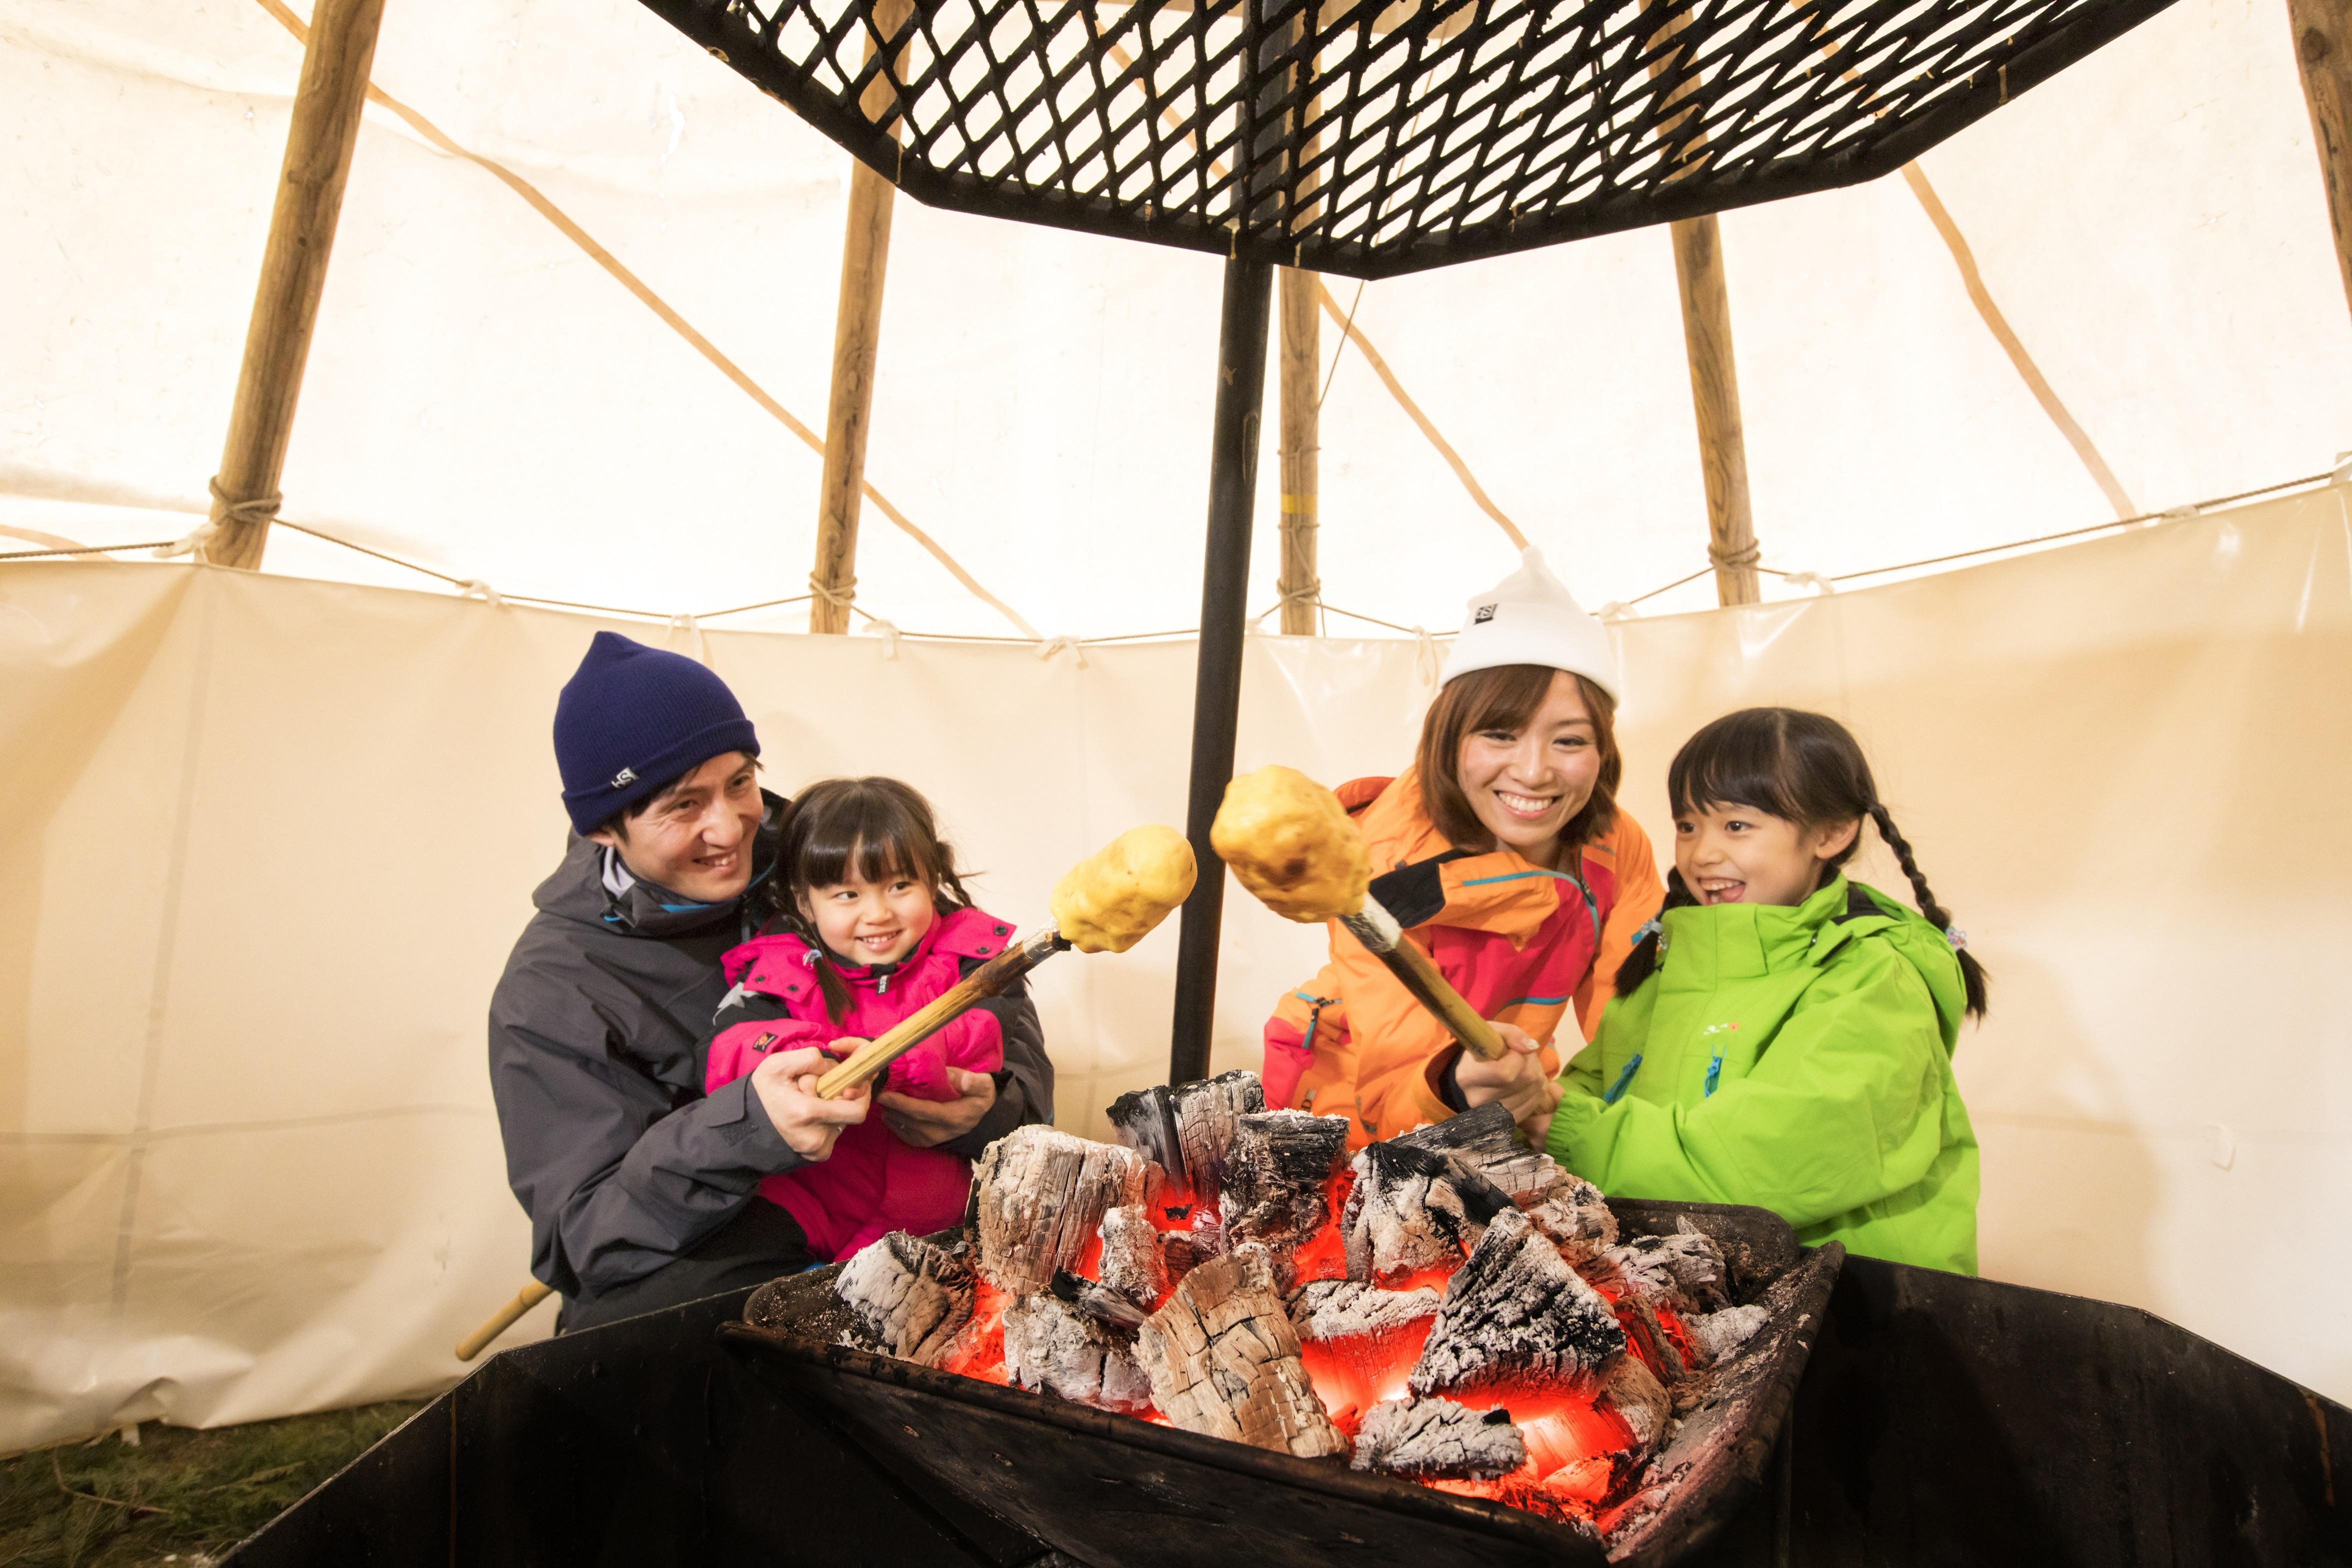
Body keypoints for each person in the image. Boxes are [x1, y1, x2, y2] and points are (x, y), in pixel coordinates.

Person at [489, 633, 1053, 1330]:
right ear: (607, 828)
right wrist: (747, 1128)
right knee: (635, 1324)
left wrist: (991, 1109)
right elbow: (589, 1239)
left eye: (739, 782)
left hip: (920, 1201)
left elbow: (987, 998)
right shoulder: (556, 987)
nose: (731, 828)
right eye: (682, 806)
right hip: (740, 1245)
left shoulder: (833, 857)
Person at [1544, 708, 1986, 1274]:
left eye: (1736, 826)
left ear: (1831, 832)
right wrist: (1533, 1100)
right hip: (1705, 1287)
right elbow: (1594, 1084)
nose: (1701, 853)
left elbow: (1765, 1162)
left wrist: (1561, 1128)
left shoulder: (1876, 972)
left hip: (1853, 1310)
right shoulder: (1670, 962)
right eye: (1687, 825)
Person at [1260, 548, 1666, 1147]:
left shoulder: (1613, 843)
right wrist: (1454, 1086)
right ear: (1450, 737)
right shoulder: (1382, 859)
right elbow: (1391, 1096)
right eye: (1500, 734)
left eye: (1570, 740)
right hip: (1345, 1097)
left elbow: (1636, 1026)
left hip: (1506, 1079)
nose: (1533, 772)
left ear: (1603, 749)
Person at [702, 778, 1035, 1260]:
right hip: (816, 1197)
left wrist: (888, 1065)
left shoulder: (974, 959)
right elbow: (728, 1050)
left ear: (933, 877)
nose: (878, 913)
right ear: (804, 901)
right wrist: (810, 1058)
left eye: (900, 886)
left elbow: (979, 1036)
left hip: (943, 1209)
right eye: (847, 895)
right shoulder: (777, 969)